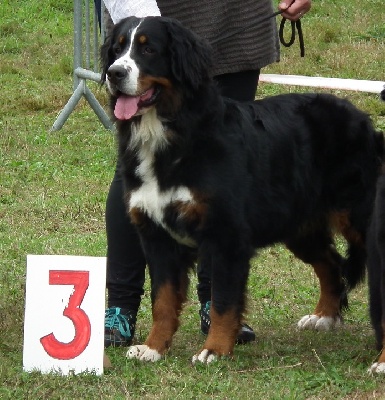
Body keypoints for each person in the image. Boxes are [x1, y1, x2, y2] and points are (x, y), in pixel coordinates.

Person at [102, 0, 312, 347]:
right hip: (159, 13)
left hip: (235, 17)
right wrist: (151, 31)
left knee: (223, 183)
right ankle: (121, 310)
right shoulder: (136, 52)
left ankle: (215, 309)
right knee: (139, 191)